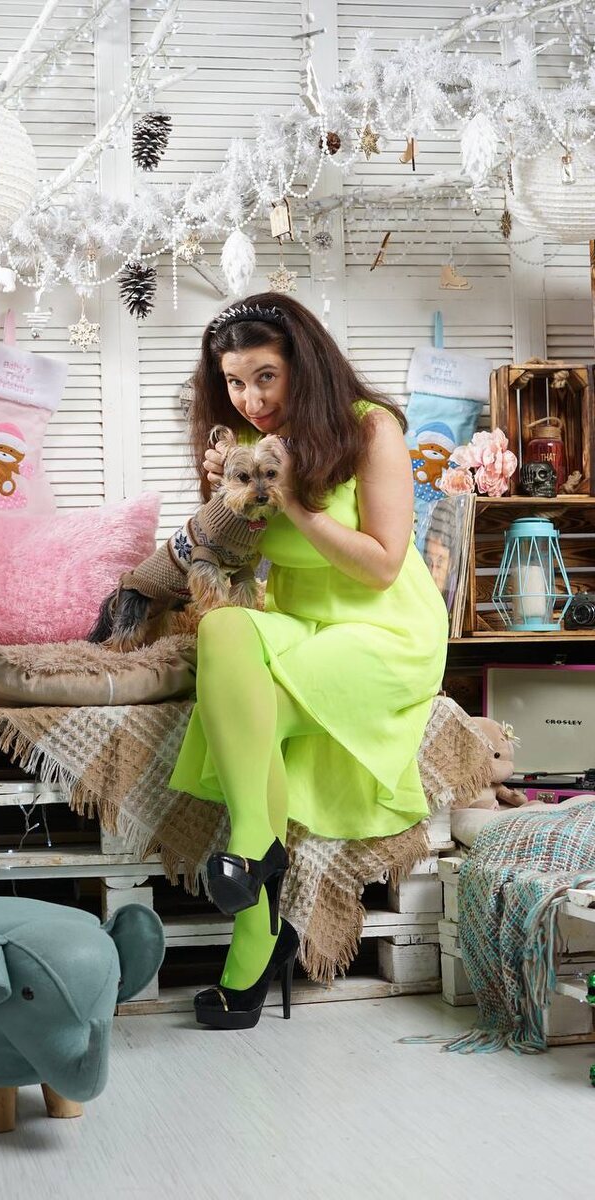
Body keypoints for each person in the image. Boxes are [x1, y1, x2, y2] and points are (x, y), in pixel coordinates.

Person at [168, 293, 449, 1030]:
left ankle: (254, 927)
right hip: (301, 623)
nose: (250, 399)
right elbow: (228, 562)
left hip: (382, 630)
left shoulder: (370, 427)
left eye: (265, 376)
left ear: (305, 364)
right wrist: (227, 499)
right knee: (223, 631)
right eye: (234, 382)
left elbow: (383, 566)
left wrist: (291, 502)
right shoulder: (249, 447)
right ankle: (258, 855)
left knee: (247, 714)